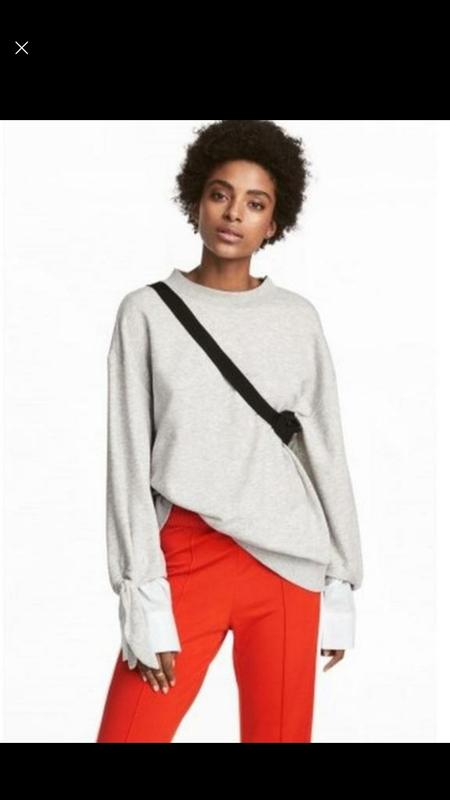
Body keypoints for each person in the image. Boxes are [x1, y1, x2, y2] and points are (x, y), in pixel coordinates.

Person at [96, 120, 363, 743]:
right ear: (196, 200)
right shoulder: (146, 312)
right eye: (221, 194)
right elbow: (127, 458)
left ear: (274, 222)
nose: (234, 213)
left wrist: (342, 580)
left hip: (288, 567)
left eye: (255, 203)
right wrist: (142, 595)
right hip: (186, 556)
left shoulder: (296, 319)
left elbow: (324, 449)